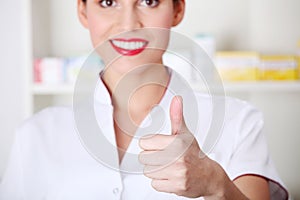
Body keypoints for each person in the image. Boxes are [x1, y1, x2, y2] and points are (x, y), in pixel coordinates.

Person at [0, 0, 288, 199]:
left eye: (149, 1)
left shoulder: (237, 121)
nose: (128, 24)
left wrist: (215, 185)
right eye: (108, 2)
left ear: (177, 10)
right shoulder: (35, 135)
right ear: (83, 11)